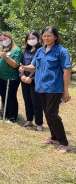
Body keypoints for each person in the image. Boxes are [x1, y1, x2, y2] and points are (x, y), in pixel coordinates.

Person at [20, 26, 71, 154]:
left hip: (54, 87)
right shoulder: (40, 51)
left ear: (55, 37)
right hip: (41, 87)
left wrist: (66, 91)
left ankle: (64, 143)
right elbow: (34, 66)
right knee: (47, 113)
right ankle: (54, 138)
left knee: (52, 114)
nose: (46, 38)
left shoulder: (61, 51)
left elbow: (66, 71)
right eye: (44, 35)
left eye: (49, 35)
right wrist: (25, 67)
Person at [0, 32, 23, 123]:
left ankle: (12, 116)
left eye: (5, 39)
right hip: (1, 77)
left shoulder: (16, 50)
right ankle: (5, 114)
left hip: (11, 78)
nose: (3, 41)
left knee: (11, 96)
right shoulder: (0, 48)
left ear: (10, 38)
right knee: (3, 96)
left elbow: (15, 65)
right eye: (1, 40)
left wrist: (6, 57)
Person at [18, 31, 43, 131]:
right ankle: (29, 120)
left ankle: (39, 123)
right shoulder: (25, 51)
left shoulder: (41, 50)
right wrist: (22, 75)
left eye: (33, 38)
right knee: (27, 100)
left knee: (36, 102)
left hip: (35, 80)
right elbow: (21, 65)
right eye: (29, 38)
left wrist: (31, 77)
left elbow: (39, 66)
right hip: (24, 79)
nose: (31, 40)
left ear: (38, 39)